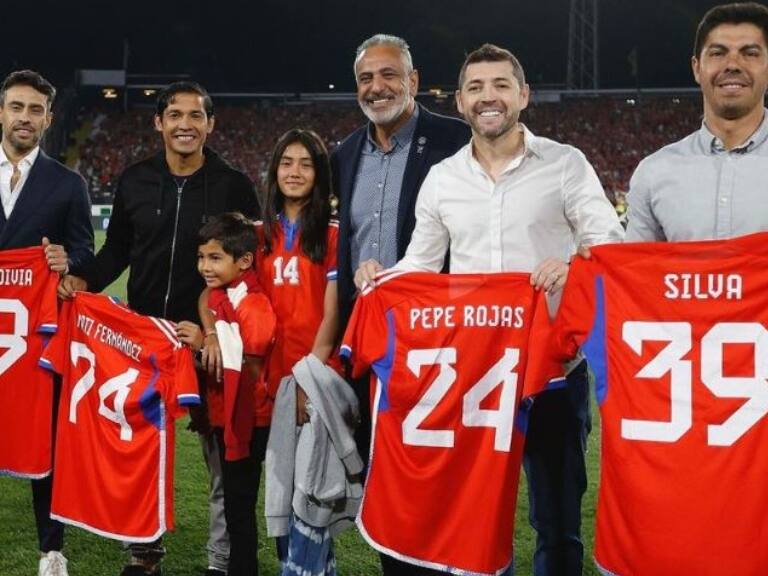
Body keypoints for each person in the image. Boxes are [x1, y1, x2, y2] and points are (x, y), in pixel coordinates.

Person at [355, 44, 624, 576]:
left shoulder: (566, 164)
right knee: (476, 513)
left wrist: (572, 265)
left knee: (557, 521)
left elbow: (609, 244)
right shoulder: (444, 177)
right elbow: (422, 265)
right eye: (476, 88)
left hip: (554, 371)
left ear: (522, 95)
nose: (488, 97)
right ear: (459, 101)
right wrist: (379, 279)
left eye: (501, 84)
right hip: (476, 377)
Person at [60, 81, 258, 576]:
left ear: (211, 124)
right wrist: (81, 279)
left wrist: (215, 328)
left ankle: (221, 559)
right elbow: (116, 254)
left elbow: (250, 269)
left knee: (220, 457)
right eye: (175, 115)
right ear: (159, 123)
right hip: (141, 341)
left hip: (206, 338)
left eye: (196, 115)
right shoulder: (133, 180)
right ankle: (143, 549)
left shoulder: (233, 184)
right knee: (140, 450)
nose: (185, 124)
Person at [331, 33, 470, 469]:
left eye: (389, 74)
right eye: (366, 77)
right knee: (374, 457)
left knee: (435, 459)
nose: (377, 86)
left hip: (434, 330)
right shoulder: (345, 154)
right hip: (364, 332)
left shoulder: (457, 140)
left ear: (413, 79)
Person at [0, 69, 93, 576]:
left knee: (42, 434)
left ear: (49, 119)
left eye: (35, 110)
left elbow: (84, 249)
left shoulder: (67, 182)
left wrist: (65, 261)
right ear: (1, 112)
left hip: (33, 331)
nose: (25, 118)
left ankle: (51, 548)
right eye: (17, 107)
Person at [257, 128, 340, 572]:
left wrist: (311, 381)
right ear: (274, 171)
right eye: (286, 162)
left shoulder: (331, 235)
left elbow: (330, 317)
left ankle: (311, 568)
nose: (294, 172)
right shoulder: (258, 234)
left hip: (311, 381)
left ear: (319, 174)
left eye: (306, 164)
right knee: (280, 489)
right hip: (267, 382)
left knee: (310, 491)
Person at [626, 1, 768, 242]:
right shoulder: (654, 173)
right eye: (718, 53)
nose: (733, 65)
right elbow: (634, 272)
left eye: (750, 53)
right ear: (696, 68)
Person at [190, 212, 276, 576]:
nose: (205, 267)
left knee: (241, 507)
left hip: (251, 420)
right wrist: (209, 334)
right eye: (201, 257)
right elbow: (207, 296)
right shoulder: (226, 292)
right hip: (229, 415)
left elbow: (247, 370)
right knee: (234, 504)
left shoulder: (254, 306)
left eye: (214, 258)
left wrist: (200, 344)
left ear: (243, 261)